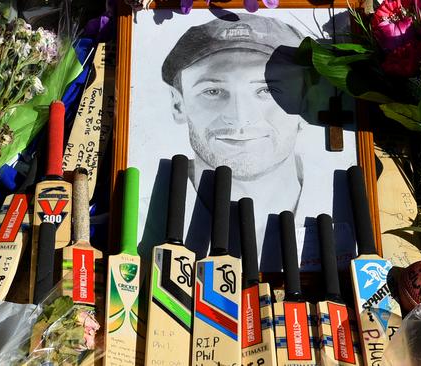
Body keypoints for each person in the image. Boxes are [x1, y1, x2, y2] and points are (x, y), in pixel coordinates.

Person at [141, 13, 356, 271]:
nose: (240, 118)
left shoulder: (345, 208)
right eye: (213, 91)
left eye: (267, 90)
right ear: (178, 103)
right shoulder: (141, 221)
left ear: (305, 103)